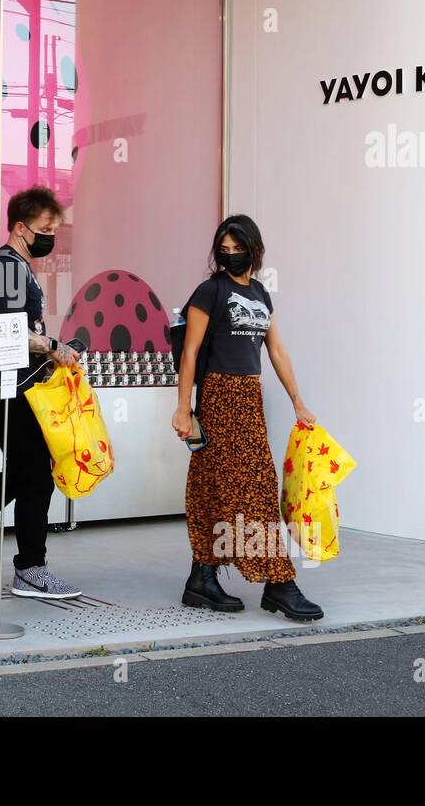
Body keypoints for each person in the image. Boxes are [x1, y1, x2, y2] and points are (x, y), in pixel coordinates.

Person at [171, 215, 324, 621]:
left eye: (239, 248)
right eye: (225, 249)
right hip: (220, 395)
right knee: (254, 487)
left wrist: (298, 402)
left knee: (209, 485)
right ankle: (279, 582)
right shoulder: (209, 291)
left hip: (250, 396)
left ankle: (201, 577)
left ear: (254, 250)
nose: (231, 255)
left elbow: (276, 351)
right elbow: (189, 352)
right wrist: (183, 407)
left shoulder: (260, 293)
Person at [0, 186, 83, 599]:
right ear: (20, 228)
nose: (51, 237)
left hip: (8, 385)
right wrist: (53, 348)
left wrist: (45, 355)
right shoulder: (7, 268)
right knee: (33, 471)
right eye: (46, 229)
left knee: (24, 469)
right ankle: (30, 568)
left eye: (55, 230)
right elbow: (4, 332)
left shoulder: (11, 267)